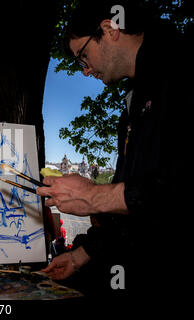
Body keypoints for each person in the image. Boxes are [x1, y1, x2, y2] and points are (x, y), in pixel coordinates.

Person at [36, 0, 189, 299]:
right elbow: (132, 210)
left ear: (108, 29)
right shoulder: (133, 101)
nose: (85, 70)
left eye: (83, 56)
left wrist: (94, 196)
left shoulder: (182, 71)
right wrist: (81, 255)